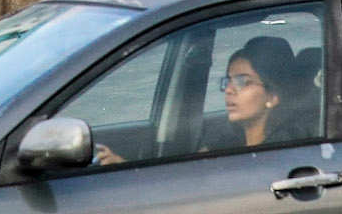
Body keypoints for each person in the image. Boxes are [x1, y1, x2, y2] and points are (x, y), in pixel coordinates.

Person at [93, 36, 318, 166]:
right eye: (228, 81)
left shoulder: (282, 151)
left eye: (243, 81)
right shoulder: (226, 141)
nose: (229, 90)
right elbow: (182, 181)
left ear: (273, 96)